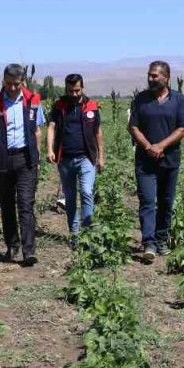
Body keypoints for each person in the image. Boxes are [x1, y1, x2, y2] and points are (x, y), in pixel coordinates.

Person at [0, 63, 46, 266]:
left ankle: (29, 251)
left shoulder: (33, 101)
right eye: (8, 83)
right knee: (7, 205)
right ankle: (12, 246)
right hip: (2, 159)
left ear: (22, 81)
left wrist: (37, 157)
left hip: (25, 159)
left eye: (16, 84)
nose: (12, 88)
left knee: (26, 204)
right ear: (4, 81)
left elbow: (37, 131)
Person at [128, 60, 184, 263]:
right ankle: (149, 243)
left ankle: (162, 239)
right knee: (147, 201)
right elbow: (133, 127)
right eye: (149, 75)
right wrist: (148, 147)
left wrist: (161, 146)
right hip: (145, 161)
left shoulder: (178, 99)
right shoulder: (141, 99)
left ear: (166, 77)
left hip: (169, 160)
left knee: (166, 202)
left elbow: (182, 128)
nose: (150, 78)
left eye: (155, 75)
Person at [46, 74, 103, 248]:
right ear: (66, 89)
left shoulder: (91, 106)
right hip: (65, 159)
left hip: (87, 157)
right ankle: (75, 234)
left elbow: (98, 132)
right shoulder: (59, 105)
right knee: (70, 198)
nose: (74, 94)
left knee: (86, 192)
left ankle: (87, 233)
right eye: (70, 90)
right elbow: (51, 127)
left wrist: (101, 156)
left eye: (77, 90)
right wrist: (49, 149)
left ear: (82, 88)